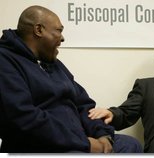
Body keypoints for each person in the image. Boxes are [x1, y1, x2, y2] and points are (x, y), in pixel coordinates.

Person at [0, 5, 143, 153]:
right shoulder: (5, 61)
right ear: (39, 30)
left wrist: (103, 135)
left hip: (77, 141)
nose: (62, 38)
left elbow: (84, 105)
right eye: (59, 30)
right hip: (41, 147)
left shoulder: (54, 63)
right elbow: (23, 119)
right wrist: (85, 143)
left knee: (130, 145)